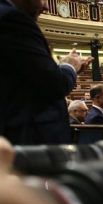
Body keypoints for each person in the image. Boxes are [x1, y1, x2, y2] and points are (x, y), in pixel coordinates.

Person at [0, 0, 92, 144]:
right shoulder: (11, 18)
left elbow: (31, 80)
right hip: (27, 145)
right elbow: (55, 84)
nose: (46, 6)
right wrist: (69, 66)